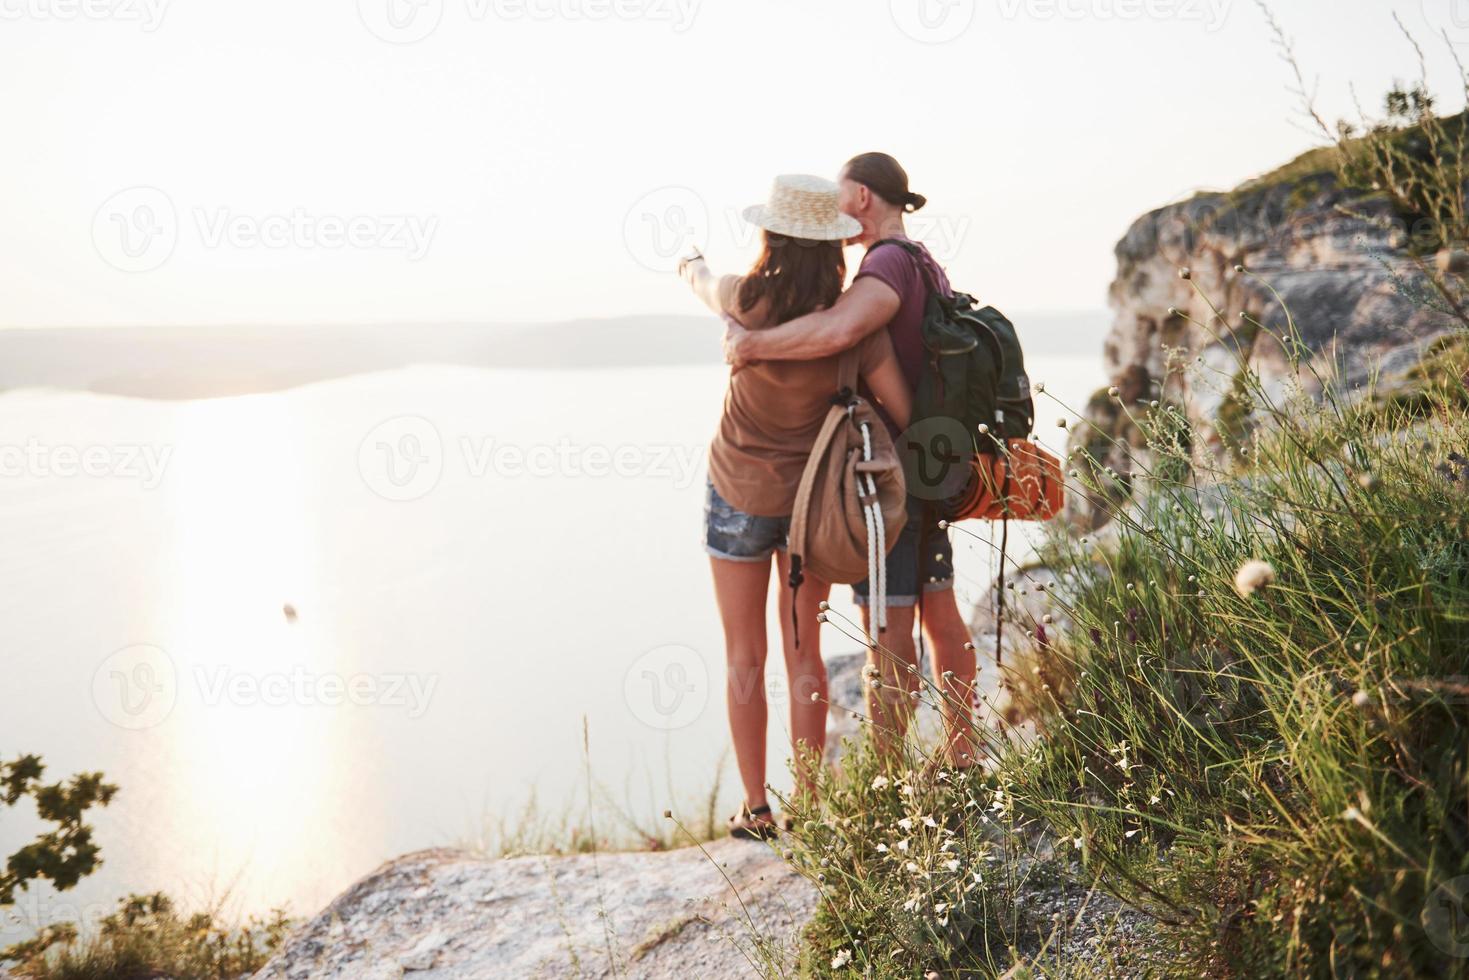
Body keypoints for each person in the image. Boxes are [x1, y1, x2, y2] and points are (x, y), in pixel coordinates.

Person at [721, 153, 979, 769]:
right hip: (927, 459)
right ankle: (961, 754)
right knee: (939, 611)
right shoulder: (924, 262)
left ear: (861, 196)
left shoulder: (886, 263)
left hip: (888, 473)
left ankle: (890, 778)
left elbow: (840, 332)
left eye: (840, 195)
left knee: (887, 632)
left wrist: (750, 343)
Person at [680, 174, 913, 839]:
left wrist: (689, 264)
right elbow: (901, 413)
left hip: (734, 494)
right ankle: (810, 806)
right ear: (830, 245)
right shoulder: (849, 326)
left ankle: (756, 808)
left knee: (741, 655)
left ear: (770, 235)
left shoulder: (745, 300)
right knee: (802, 653)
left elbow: (702, 285)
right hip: (812, 509)